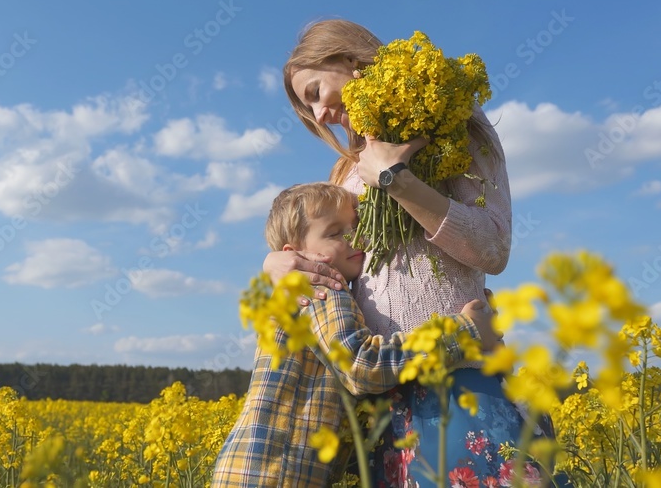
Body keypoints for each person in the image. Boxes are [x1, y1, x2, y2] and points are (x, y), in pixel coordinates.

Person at [266, 19, 553, 487]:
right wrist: (278, 262)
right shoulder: (346, 172)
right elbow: (336, 259)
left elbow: (492, 247)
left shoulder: (456, 128)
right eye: (307, 106)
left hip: (460, 387)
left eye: (317, 91)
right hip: (381, 400)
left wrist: (396, 180)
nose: (318, 114)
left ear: (349, 59)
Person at [211, 182, 499, 487]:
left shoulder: (297, 292)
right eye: (335, 233)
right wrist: (463, 332)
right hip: (274, 475)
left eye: (356, 227)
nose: (354, 238)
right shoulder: (321, 288)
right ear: (294, 255)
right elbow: (362, 366)